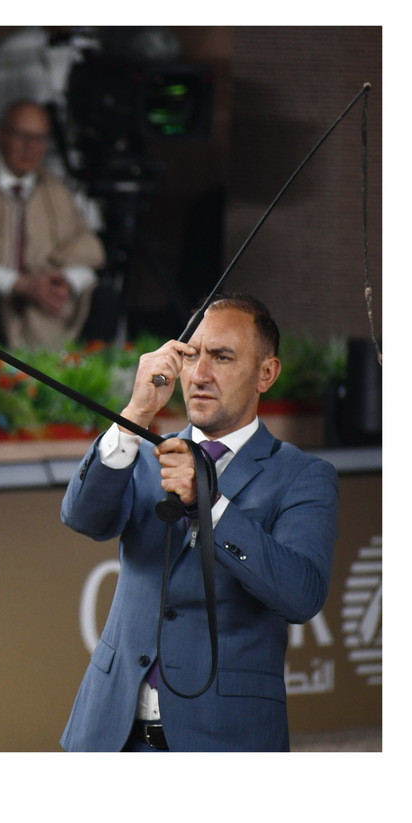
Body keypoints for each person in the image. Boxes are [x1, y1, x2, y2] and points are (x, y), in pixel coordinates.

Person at [58, 293, 340, 752]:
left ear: (265, 374)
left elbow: (301, 594)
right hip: (107, 731)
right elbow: (83, 517)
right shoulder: (146, 450)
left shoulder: (303, 476)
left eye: (222, 357)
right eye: (192, 356)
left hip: (224, 737)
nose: (200, 375)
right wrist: (134, 416)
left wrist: (207, 502)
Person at [0, 99, 113, 349]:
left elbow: (89, 251)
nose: (31, 147)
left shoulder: (56, 190)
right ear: (1, 136)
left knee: (104, 297)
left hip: (49, 309)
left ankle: (84, 379)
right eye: (22, 136)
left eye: (40, 139)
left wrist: (65, 282)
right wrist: (19, 284)